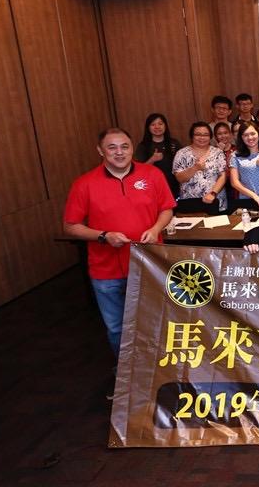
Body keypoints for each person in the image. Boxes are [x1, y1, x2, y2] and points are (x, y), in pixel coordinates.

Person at [63, 127, 175, 358]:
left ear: (132, 147)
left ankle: (161, 372)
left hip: (150, 265)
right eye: (112, 147)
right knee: (117, 328)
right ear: (100, 151)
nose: (119, 152)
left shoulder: (152, 175)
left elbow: (167, 209)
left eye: (125, 146)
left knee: (158, 322)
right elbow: (71, 225)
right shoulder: (84, 184)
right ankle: (124, 376)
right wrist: (103, 236)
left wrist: (156, 229)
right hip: (107, 270)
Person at [172, 122, 227, 214]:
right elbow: (179, 178)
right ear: (191, 136)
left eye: (206, 135)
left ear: (210, 137)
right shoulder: (181, 154)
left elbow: (223, 176)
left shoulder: (218, 153)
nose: (202, 138)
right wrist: (195, 168)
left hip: (215, 200)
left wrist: (213, 193)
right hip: (190, 202)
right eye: (198, 134)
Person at [133, 113, 182, 198]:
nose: (157, 127)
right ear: (148, 127)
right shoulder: (143, 146)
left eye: (160, 124)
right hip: (153, 187)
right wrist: (152, 159)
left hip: (174, 185)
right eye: (153, 124)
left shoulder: (174, 143)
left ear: (165, 126)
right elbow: (139, 171)